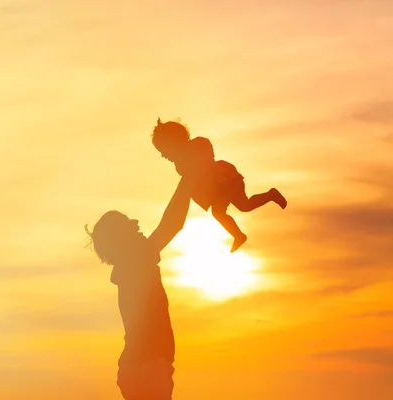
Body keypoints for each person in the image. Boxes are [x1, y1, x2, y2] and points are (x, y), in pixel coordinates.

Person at [84, 177, 192, 399]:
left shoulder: (129, 265)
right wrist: (189, 177)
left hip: (141, 366)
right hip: (148, 366)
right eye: (130, 225)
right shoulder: (136, 261)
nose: (138, 226)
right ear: (122, 238)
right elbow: (172, 223)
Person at [151, 118, 287, 253]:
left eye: (163, 149)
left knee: (239, 207)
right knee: (232, 209)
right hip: (218, 189)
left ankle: (267, 199)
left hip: (225, 180)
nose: (163, 155)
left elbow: (203, 162)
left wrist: (197, 169)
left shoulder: (198, 144)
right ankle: (240, 234)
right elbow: (191, 181)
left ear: (173, 142)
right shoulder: (180, 165)